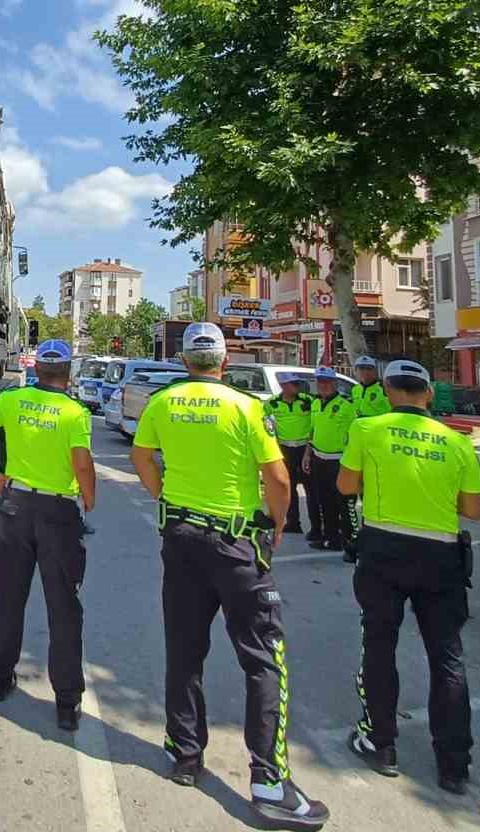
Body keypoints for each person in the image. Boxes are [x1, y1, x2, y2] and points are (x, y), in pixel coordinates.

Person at [131, 323, 329, 831]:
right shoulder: (246, 407)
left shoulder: (164, 402)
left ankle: (184, 754)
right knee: (263, 658)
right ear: (224, 359)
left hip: (180, 539)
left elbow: (141, 456)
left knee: (184, 647)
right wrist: (279, 521)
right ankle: (268, 781)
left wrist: (164, 497)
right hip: (236, 543)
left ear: (182, 359)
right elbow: (278, 476)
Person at [338, 359, 480, 794]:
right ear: (428, 394)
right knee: (447, 656)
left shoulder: (368, 430)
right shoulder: (457, 442)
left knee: (379, 645)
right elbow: (473, 509)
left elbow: (346, 486)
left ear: (385, 392)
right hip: (441, 554)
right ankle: (454, 764)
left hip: (383, 548)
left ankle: (381, 744)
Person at [0, 339, 97, 732]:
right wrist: (89, 499)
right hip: (58, 512)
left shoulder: (13, 400)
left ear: (36, 368)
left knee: (8, 597)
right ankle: (67, 704)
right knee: (64, 609)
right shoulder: (74, 412)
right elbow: (82, 465)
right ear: (68, 374)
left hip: (15, 505)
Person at [306, 367, 358, 557]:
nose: (323, 386)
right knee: (325, 502)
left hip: (340, 461)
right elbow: (312, 432)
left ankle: (351, 543)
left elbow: (356, 434)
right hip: (319, 459)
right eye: (320, 382)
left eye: (327, 382)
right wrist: (307, 454)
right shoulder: (315, 403)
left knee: (345, 504)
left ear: (335, 384)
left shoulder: (346, 405)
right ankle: (331, 539)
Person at [264, 376, 314, 535]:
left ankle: (316, 527)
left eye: (298, 384)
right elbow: (263, 420)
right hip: (285, 448)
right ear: (284, 386)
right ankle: (293, 523)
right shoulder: (272, 403)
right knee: (289, 487)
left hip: (305, 448)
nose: (298, 387)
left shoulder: (307, 401)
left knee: (310, 488)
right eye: (295, 384)